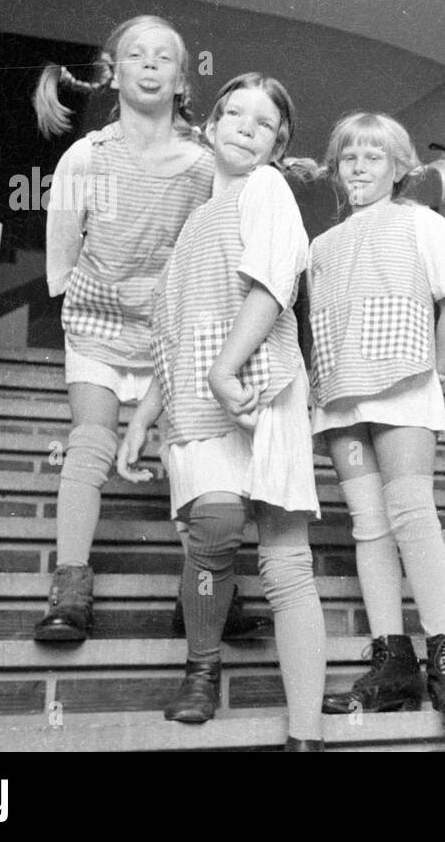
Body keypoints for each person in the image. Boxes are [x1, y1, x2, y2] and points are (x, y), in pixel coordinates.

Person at [117, 73, 325, 750]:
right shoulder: (193, 223)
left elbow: (271, 286)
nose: (243, 126)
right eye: (233, 112)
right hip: (200, 400)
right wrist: (147, 409)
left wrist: (225, 366)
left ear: (278, 143)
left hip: (262, 390)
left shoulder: (268, 190)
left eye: (262, 123)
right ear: (210, 123)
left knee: (287, 560)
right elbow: (177, 331)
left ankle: (307, 731)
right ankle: (202, 670)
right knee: (213, 520)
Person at [36, 15, 226, 643]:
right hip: (95, 325)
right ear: (112, 72)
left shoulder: (205, 166)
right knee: (90, 441)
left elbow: (211, 257)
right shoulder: (85, 156)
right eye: (135, 55)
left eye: (163, 57)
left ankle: (203, 587)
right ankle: (70, 588)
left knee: (188, 453)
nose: (148, 64)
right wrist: (102, 294)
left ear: (180, 79)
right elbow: (61, 259)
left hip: (169, 337)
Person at [309, 112, 445, 731]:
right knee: (368, 525)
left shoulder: (423, 223)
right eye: (350, 158)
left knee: (412, 514)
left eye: (375, 157)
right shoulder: (321, 246)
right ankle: (392, 662)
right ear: (336, 170)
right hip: (339, 397)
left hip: (404, 386)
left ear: (400, 168)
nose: (361, 167)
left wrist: (436, 377)